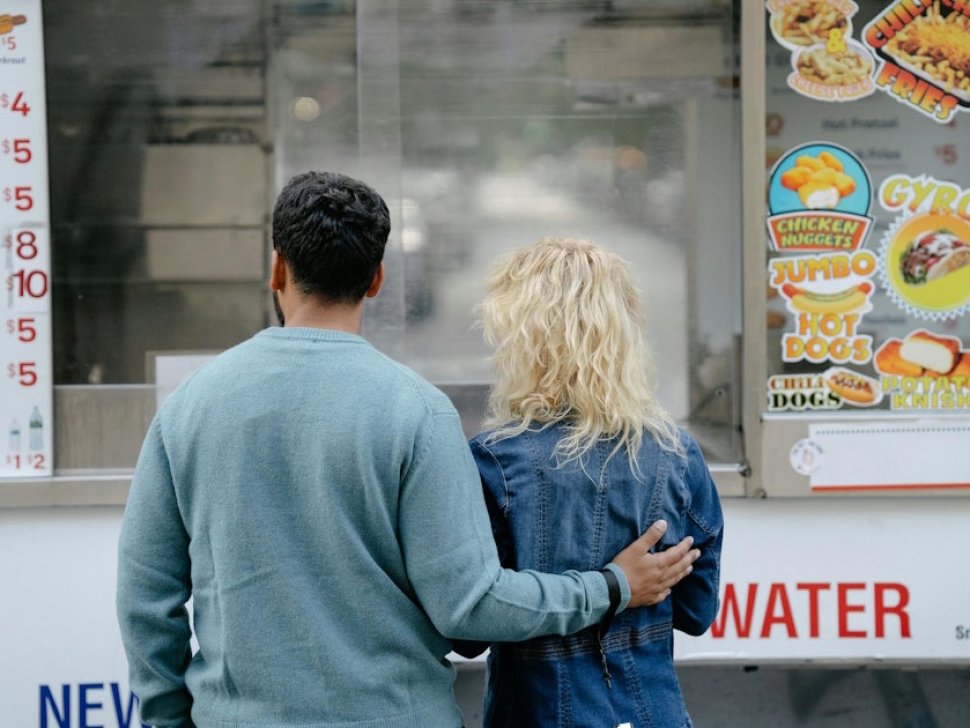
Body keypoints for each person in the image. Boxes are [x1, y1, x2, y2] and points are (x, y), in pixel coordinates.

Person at [115, 171, 701, 728]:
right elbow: (468, 608)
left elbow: (147, 603)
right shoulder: (416, 412)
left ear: (276, 269)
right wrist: (611, 586)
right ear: (377, 279)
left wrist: (172, 718)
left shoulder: (188, 408)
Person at [455, 236, 724, 727]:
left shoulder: (494, 463)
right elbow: (697, 613)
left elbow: (469, 633)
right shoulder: (678, 454)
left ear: (526, 340)